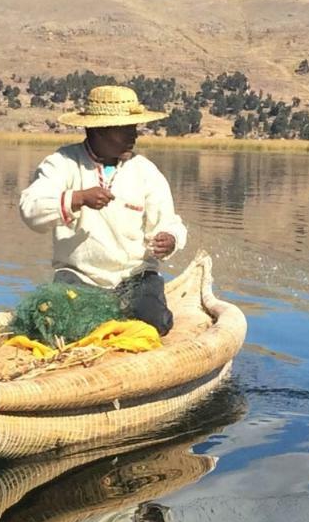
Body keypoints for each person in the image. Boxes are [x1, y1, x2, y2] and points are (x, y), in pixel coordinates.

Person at [19, 85, 188, 335]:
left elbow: (169, 221)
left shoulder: (145, 171)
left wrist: (171, 238)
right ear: (97, 129)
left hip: (135, 278)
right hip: (79, 277)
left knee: (157, 323)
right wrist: (77, 198)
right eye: (125, 129)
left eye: (135, 128)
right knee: (60, 326)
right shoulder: (62, 164)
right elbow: (31, 209)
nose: (134, 136)